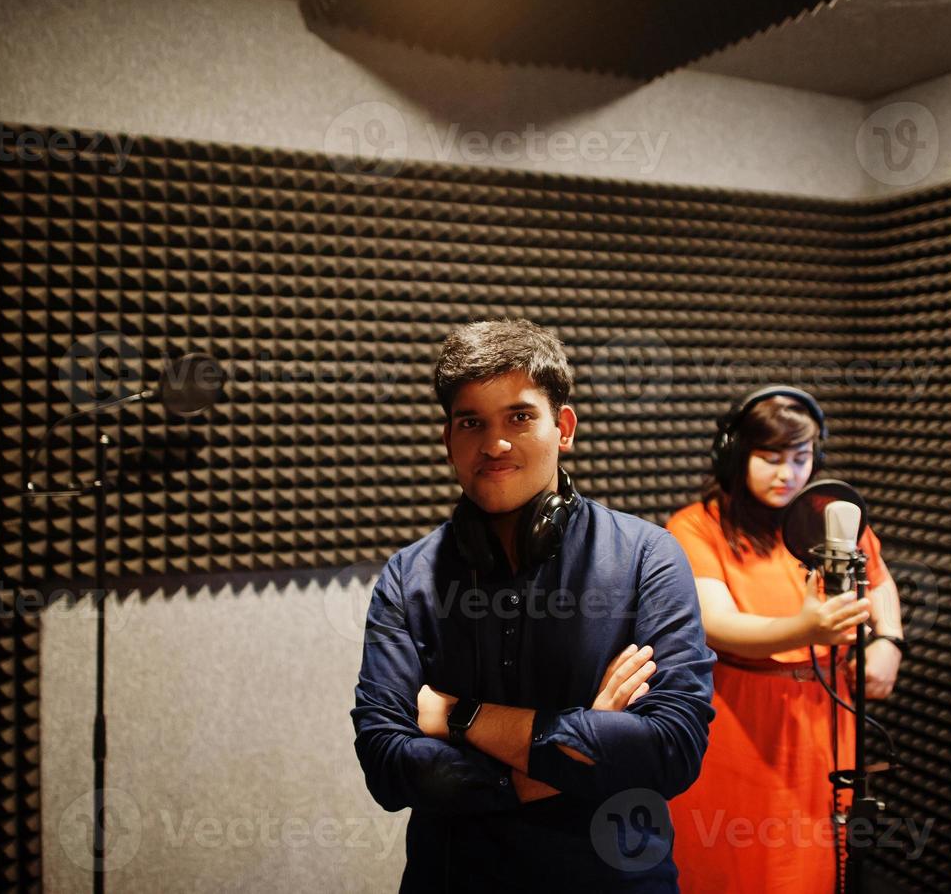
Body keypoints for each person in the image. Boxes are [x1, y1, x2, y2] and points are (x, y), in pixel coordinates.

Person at [351, 319, 716, 892]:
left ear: (563, 426)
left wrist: (457, 717)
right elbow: (387, 764)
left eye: (519, 417)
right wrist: (585, 745)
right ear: (449, 440)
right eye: (472, 422)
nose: (494, 444)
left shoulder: (648, 557)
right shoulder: (409, 576)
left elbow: (670, 748)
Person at [665, 386, 907, 893]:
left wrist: (889, 641)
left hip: (824, 713)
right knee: (737, 861)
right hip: (740, 716)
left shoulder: (830, 514)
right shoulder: (696, 526)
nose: (787, 474)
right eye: (770, 458)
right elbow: (715, 621)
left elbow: (878, 579)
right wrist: (806, 629)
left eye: (800, 458)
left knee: (818, 861)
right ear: (735, 454)